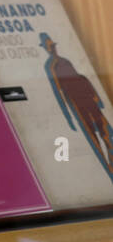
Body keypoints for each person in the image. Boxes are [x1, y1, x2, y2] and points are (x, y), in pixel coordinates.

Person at [41, 33, 113, 177]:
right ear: (46, 49)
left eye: (53, 46)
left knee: (107, 132)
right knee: (93, 137)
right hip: (77, 103)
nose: (52, 49)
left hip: (88, 98)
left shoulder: (65, 61)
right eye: (50, 47)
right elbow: (58, 91)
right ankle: (109, 170)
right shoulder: (51, 66)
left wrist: (96, 97)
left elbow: (81, 77)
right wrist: (68, 116)